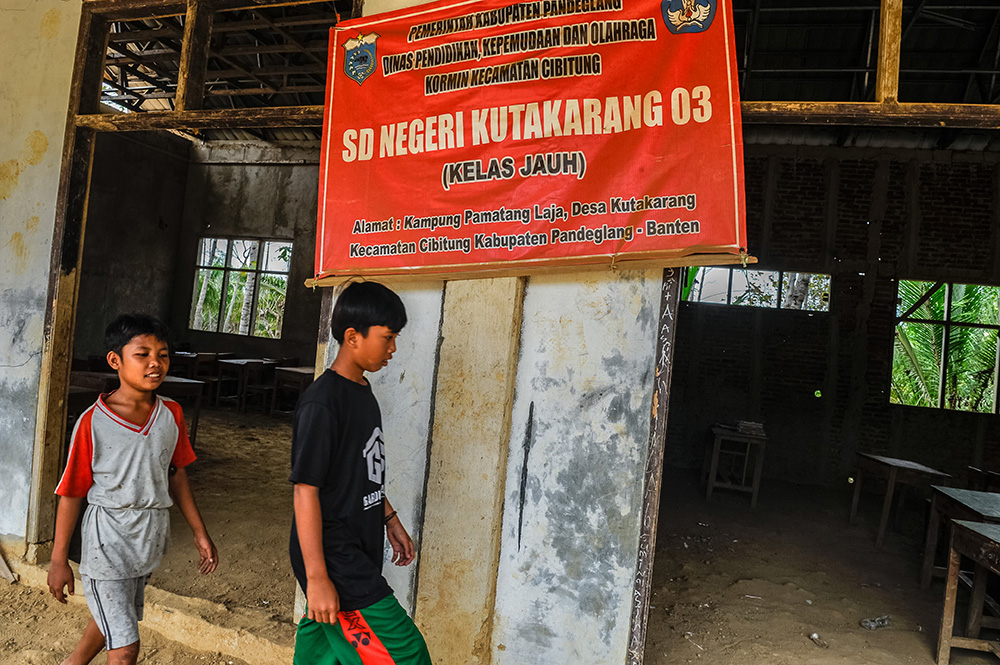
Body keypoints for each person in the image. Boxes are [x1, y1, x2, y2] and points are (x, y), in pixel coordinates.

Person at [47, 314, 218, 665]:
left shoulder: (171, 413)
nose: (156, 363)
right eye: (143, 354)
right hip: (107, 541)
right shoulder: (93, 422)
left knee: (114, 614)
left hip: (148, 537)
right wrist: (58, 559)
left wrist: (200, 533)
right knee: (124, 649)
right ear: (116, 360)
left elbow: (177, 474)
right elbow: (72, 492)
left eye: (163, 354)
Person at [290, 281, 431, 665]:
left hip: (358, 542)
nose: (393, 348)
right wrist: (318, 578)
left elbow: (360, 473)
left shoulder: (363, 392)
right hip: (335, 555)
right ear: (352, 336)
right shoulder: (322, 404)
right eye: (387, 337)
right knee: (407, 654)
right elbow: (305, 491)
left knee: (321, 653)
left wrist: (389, 518)